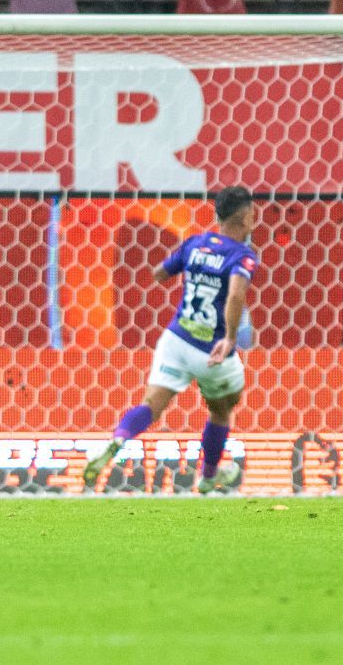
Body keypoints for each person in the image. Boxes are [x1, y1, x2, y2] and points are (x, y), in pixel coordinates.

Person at [84, 186, 259, 494]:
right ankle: (208, 476)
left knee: (151, 404)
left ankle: (117, 440)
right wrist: (231, 337)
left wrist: (196, 270)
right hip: (211, 350)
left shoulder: (194, 244)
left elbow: (159, 273)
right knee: (221, 410)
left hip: (176, 340)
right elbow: (235, 294)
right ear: (245, 217)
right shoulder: (242, 256)